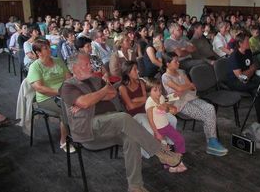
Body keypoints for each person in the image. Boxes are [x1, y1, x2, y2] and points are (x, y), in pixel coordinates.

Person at [59, 53, 181, 192]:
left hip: (110, 123)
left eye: (90, 63)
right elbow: (85, 102)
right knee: (123, 117)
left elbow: (112, 94)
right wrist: (100, 93)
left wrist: (92, 98)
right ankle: (161, 152)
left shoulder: (95, 79)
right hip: (89, 127)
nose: (91, 66)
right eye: (86, 64)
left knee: (131, 138)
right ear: (75, 68)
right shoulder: (68, 86)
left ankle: (135, 186)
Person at [161, 52, 228, 157]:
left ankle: (212, 141)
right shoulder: (165, 77)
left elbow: (192, 87)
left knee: (210, 108)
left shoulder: (181, 72)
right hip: (179, 104)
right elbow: (180, 89)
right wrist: (183, 87)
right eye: (175, 61)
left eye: (178, 60)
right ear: (167, 64)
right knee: (206, 116)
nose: (178, 63)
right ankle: (212, 142)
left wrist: (182, 88)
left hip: (190, 97)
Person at [26, 39, 73, 152]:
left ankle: (79, 132)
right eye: (46, 48)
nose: (50, 49)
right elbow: (39, 88)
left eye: (49, 46)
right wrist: (59, 92)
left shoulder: (58, 61)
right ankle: (63, 141)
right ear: (38, 53)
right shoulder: (35, 66)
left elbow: (69, 77)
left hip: (63, 93)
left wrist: (69, 90)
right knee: (66, 110)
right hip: (46, 98)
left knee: (82, 102)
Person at [145, 79, 187, 173]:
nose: (159, 93)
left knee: (180, 139)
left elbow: (166, 107)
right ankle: (170, 164)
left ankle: (177, 159)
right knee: (165, 148)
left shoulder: (161, 98)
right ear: (149, 92)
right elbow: (150, 120)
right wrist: (156, 133)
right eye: (155, 90)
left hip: (166, 126)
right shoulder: (149, 103)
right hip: (159, 129)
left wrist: (166, 107)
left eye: (160, 90)